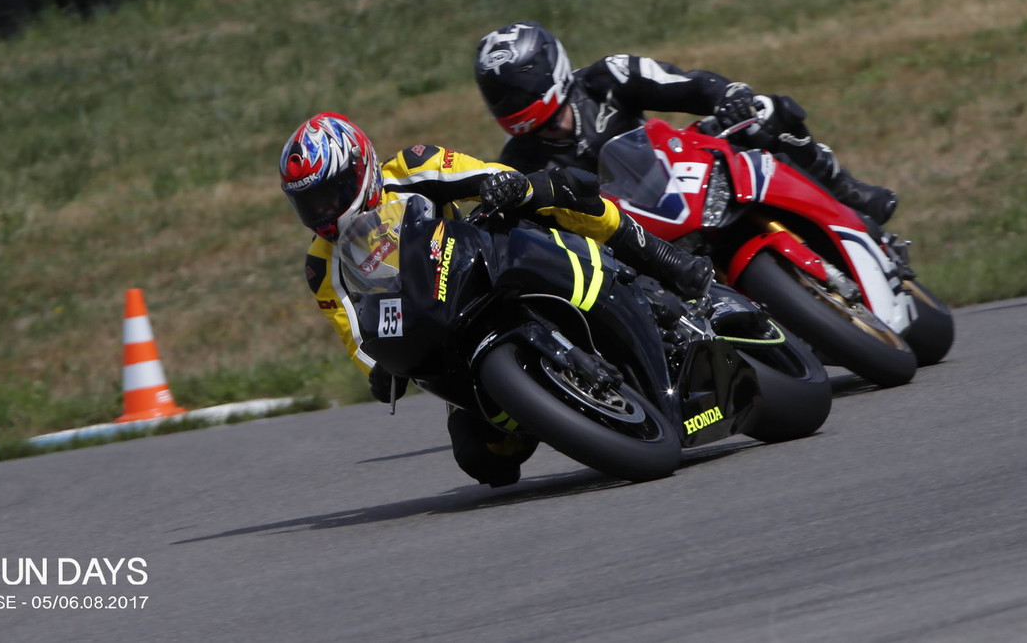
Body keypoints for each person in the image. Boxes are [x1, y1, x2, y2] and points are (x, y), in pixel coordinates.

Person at [279, 111, 728, 488]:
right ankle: (548, 409)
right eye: (310, 203)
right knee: (481, 458)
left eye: (330, 194)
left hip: (484, 264)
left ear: (361, 168)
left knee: (557, 192)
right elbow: (355, 333)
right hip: (444, 329)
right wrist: (379, 370)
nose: (323, 211)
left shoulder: (414, 167)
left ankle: (666, 261)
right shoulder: (321, 264)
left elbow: (487, 174)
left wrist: (507, 186)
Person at [472, 21, 898, 226]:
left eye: (519, 87)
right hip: (639, 239)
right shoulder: (518, 164)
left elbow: (687, 86)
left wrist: (729, 97)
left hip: (684, 170)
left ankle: (846, 191)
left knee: (767, 111)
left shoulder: (608, 78)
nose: (513, 101)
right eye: (501, 95)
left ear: (550, 67)